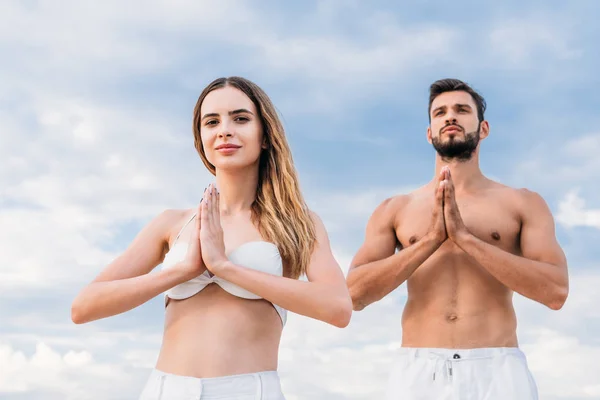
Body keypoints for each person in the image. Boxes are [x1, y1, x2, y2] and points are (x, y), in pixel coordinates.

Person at [71, 76, 352, 400]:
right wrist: (180, 271)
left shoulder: (297, 223)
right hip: (165, 389)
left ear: (264, 135)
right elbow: (83, 307)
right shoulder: (172, 222)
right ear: (200, 138)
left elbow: (337, 308)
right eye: (212, 122)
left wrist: (225, 267)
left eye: (241, 118)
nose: (225, 130)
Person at [346, 78, 569, 400]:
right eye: (440, 113)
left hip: (498, 367)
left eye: (462, 110)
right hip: (419, 368)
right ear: (429, 132)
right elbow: (354, 294)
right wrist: (431, 239)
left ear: (484, 128)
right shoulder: (395, 208)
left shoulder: (522, 202)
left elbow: (556, 292)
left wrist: (466, 238)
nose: (450, 117)